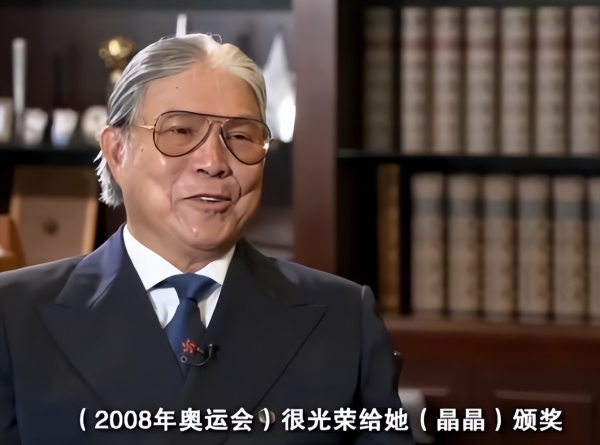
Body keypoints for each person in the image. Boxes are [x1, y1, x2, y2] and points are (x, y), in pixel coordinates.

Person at [0, 34, 414, 445]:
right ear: (117, 151)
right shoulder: (12, 316)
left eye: (241, 137)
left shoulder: (344, 319)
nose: (214, 163)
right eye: (180, 131)